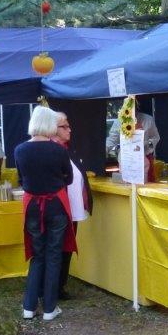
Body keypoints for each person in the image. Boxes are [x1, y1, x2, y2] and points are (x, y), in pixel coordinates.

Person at [14, 106, 75, 321]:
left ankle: (29, 307)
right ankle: (49, 308)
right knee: (54, 254)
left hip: (32, 206)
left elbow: (21, 180)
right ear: (50, 125)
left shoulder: (19, 150)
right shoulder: (58, 150)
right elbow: (69, 179)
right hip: (56, 205)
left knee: (37, 255)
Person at [53, 111, 92, 300]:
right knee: (57, 247)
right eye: (64, 126)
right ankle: (52, 287)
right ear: (53, 129)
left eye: (68, 126)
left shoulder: (69, 149)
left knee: (67, 247)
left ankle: (60, 285)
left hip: (73, 208)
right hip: (59, 207)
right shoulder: (52, 151)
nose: (69, 129)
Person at [107, 109, 160, 181]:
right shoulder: (119, 121)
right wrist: (105, 151)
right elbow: (111, 140)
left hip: (144, 159)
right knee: (126, 184)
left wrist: (147, 144)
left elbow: (156, 137)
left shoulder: (148, 120)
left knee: (144, 185)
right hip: (125, 161)